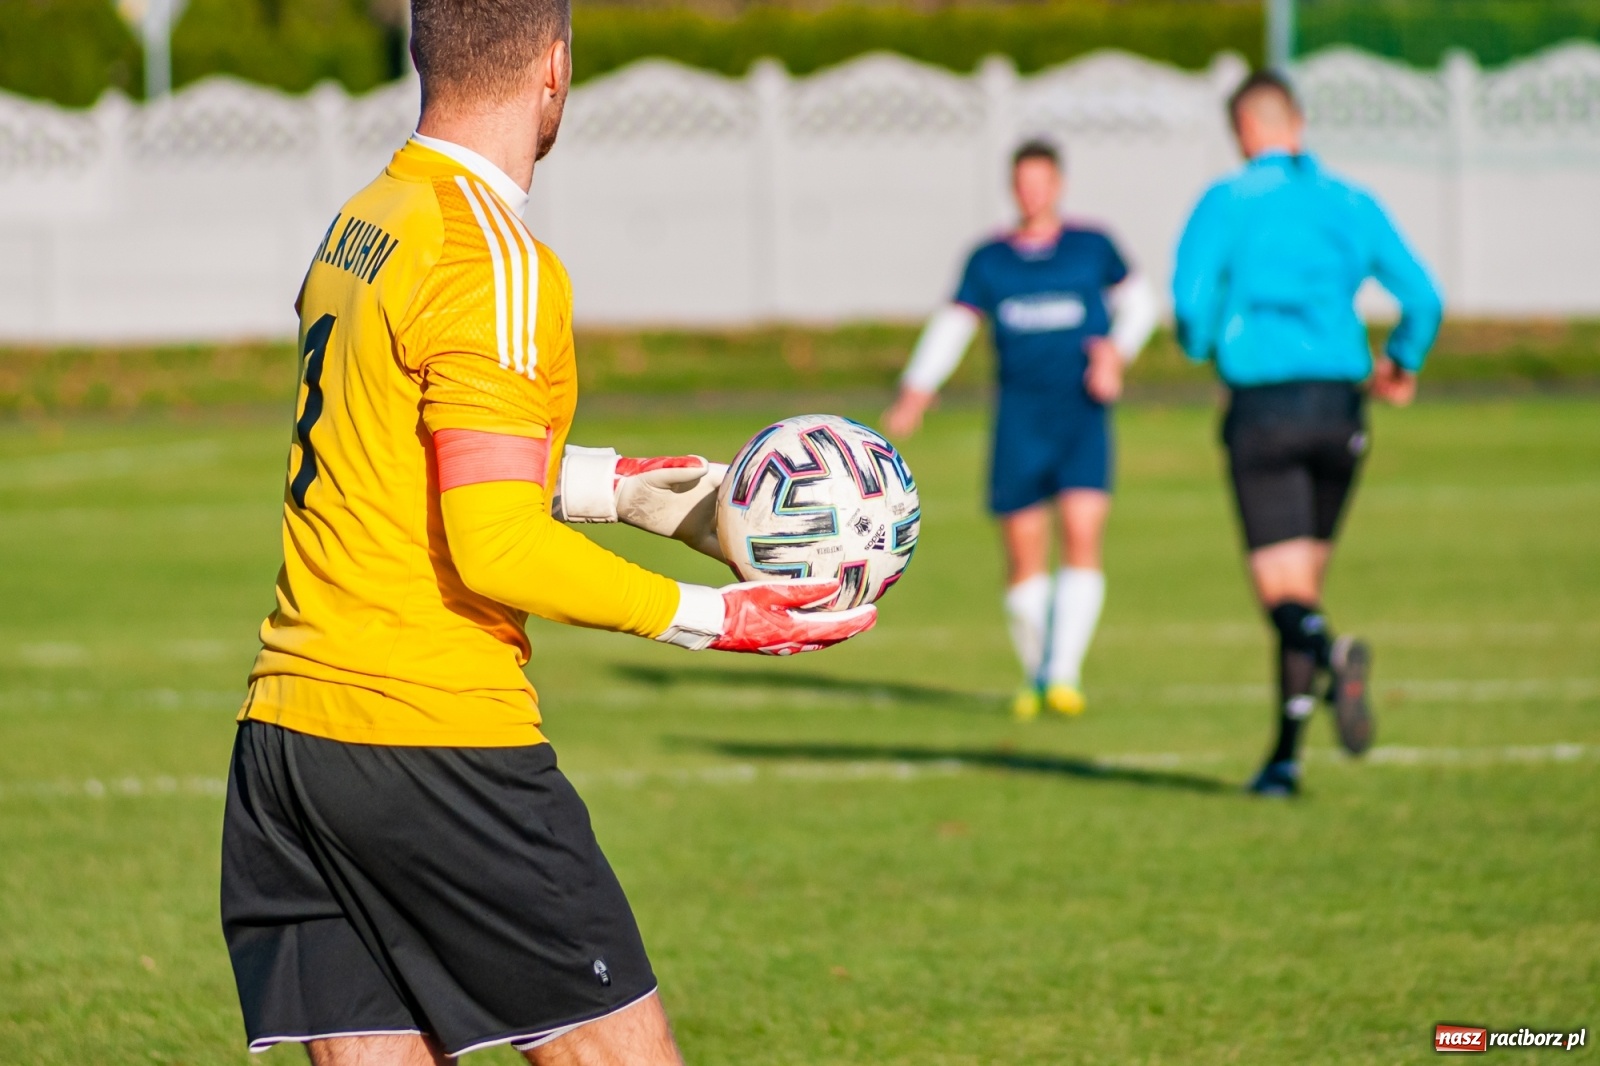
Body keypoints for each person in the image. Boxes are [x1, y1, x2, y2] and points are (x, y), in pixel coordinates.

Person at [217, 0, 878, 1061]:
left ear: (423, 52)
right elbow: (496, 545)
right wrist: (718, 617)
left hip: (289, 737)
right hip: (432, 735)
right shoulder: (494, 256)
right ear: (555, 68)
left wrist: (625, 491)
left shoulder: (367, 220)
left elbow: (391, 461)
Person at [1172, 70, 1443, 797]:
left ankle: (1329, 653)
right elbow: (1423, 298)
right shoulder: (1349, 201)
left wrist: (1205, 345)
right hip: (1339, 409)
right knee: (1305, 584)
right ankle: (1284, 760)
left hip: (1263, 408)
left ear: (1243, 131)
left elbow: (1190, 305)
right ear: (1297, 123)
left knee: (1284, 595)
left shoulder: (1227, 201)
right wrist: (1402, 362)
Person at [884, 140, 1157, 721]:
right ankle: (1039, 673)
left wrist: (1116, 353)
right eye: (1023, 183)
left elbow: (1141, 304)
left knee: (1082, 534)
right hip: (1019, 421)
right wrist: (917, 389)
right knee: (1023, 552)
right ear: (1013, 188)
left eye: (1042, 181)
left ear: (1059, 185)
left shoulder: (1092, 246)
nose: (1033, 193)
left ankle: (1063, 676)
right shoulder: (990, 260)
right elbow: (954, 325)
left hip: (1081, 415)